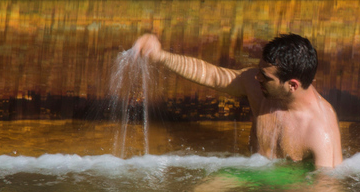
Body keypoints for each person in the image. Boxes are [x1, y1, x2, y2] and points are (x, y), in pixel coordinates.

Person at [131, 32, 343, 169]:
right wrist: (160, 56)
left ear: (292, 85)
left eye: (265, 77)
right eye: (259, 71)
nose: (256, 77)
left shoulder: (320, 131)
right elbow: (213, 76)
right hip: (254, 173)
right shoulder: (259, 85)